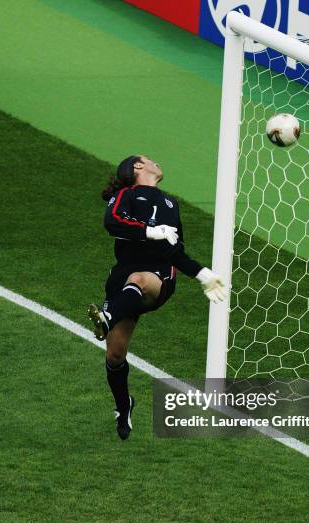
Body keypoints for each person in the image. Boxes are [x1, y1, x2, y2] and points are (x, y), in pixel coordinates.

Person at [88, 155, 226, 440]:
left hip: (157, 275)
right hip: (122, 279)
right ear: (138, 167)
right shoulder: (125, 195)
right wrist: (150, 231)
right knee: (115, 356)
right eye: (150, 159)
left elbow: (175, 251)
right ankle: (124, 405)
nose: (157, 162)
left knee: (139, 280)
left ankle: (108, 316)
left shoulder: (169, 204)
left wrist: (204, 276)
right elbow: (112, 223)